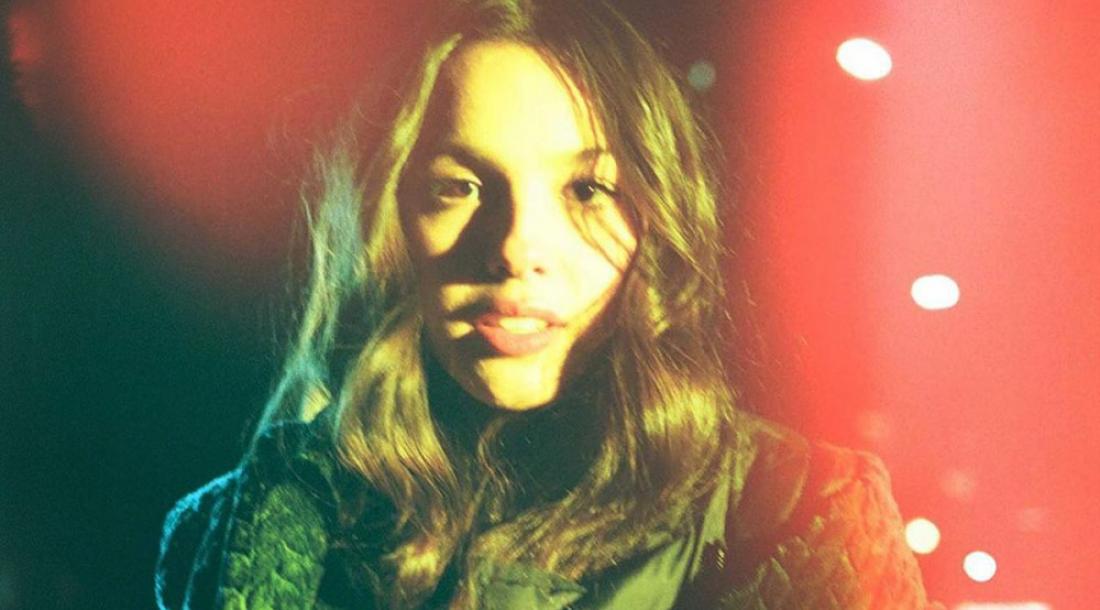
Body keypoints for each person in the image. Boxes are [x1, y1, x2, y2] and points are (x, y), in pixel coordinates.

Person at [156, 1, 938, 608]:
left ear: (657, 218)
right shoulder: (239, 532)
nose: (516, 247)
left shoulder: (804, 520)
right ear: (388, 220)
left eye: (587, 189)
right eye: (460, 186)